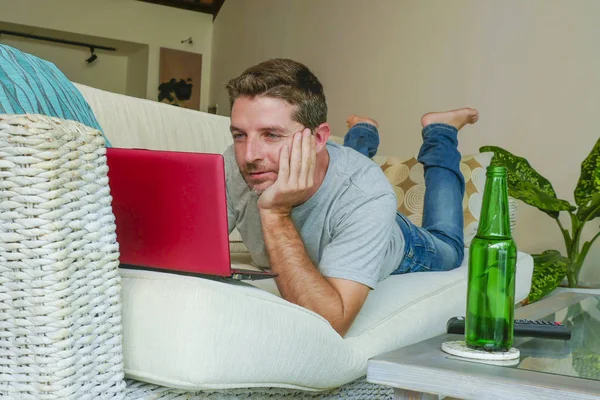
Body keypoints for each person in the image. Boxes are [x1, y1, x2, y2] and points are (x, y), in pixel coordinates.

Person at [224, 58, 478, 336]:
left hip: (400, 243)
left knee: (450, 248)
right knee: (345, 170)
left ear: (319, 139)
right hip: (347, 197)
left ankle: (441, 131)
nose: (249, 156)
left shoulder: (367, 195)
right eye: (239, 135)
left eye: (271, 135)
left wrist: (275, 213)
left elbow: (330, 323)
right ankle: (364, 129)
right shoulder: (239, 164)